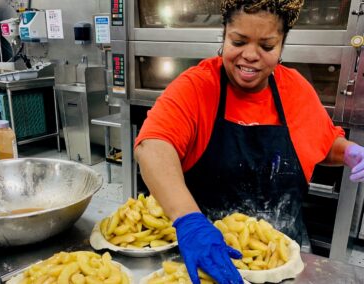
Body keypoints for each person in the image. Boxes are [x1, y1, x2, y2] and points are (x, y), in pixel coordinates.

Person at [134, 1, 364, 283]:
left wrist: (350, 152)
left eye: (267, 46)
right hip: (208, 259)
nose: (250, 55)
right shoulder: (197, 87)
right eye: (238, 41)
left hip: (281, 261)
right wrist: (189, 222)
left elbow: (319, 141)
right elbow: (153, 145)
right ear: (224, 36)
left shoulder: (295, 89)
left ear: (281, 47)